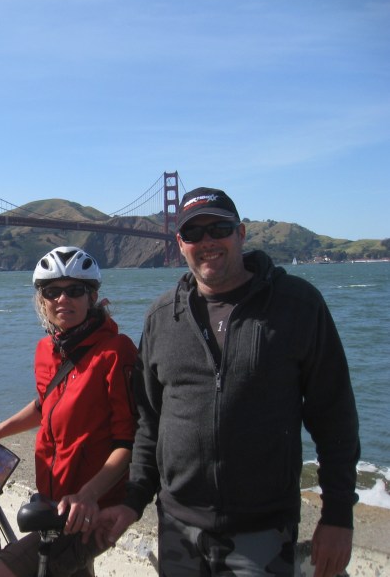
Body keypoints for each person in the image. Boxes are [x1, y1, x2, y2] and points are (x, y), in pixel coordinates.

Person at [94, 188, 360, 577]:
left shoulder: (297, 305)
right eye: (193, 234)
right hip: (177, 529)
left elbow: (334, 418)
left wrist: (338, 516)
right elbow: (149, 423)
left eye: (218, 228)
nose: (207, 242)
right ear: (180, 243)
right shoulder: (161, 317)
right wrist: (134, 501)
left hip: (263, 531)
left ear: (242, 233)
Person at [0, 246, 138, 577]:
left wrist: (88, 495)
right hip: (53, 499)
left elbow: (128, 443)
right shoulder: (47, 350)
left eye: (75, 290)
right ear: (41, 299)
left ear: (92, 296)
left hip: (92, 509)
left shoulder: (117, 353)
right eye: (51, 291)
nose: (63, 299)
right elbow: (45, 406)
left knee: (3, 572)